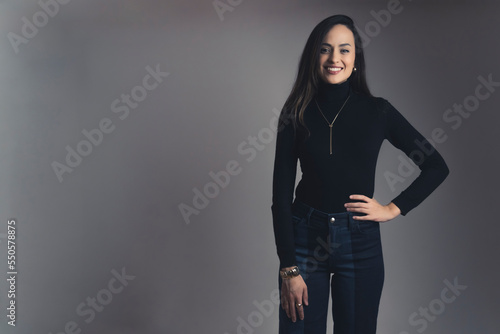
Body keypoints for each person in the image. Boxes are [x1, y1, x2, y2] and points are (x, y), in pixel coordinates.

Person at [270, 14, 449, 334]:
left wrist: (393, 208)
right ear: (315, 56)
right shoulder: (295, 112)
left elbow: (436, 166)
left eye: (344, 49)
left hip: (359, 243)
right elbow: (280, 198)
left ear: (355, 60)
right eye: (325, 49)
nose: (334, 58)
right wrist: (288, 268)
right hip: (305, 240)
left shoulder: (377, 111)